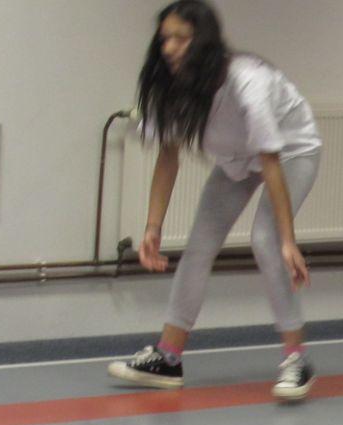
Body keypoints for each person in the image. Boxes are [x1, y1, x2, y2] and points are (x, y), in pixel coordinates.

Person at [108, 0, 322, 401]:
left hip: (291, 151)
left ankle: (297, 358)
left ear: (204, 42)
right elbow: (168, 157)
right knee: (199, 246)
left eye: (181, 38)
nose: (169, 48)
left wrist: (287, 239)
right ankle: (168, 357)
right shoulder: (171, 85)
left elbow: (270, 160)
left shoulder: (247, 82)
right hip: (237, 160)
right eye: (165, 39)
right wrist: (153, 227)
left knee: (265, 240)